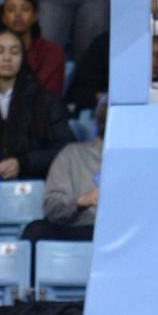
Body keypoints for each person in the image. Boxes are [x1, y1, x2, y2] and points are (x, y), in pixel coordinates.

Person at [0, 28, 75, 181]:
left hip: (30, 185)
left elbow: (66, 148)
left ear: (23, 58)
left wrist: (23, 163)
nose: (7, 58)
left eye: (15, 52)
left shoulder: (45, 101)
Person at [0, 0, 65, 100]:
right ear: (4, 18)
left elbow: (49, 98)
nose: (18, 14)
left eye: (25, 9)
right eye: (11, 9)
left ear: (35, 16)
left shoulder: (52, 53)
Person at [42, 98, 106, 241]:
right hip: (81, 230)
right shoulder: (71, 154)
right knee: (36, 231)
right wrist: (81, 201)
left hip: (127, 234)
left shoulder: (143, 161)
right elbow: (52, 208)